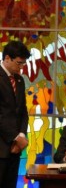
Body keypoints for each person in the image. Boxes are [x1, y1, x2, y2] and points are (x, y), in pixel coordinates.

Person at [0, 40, 31, 188]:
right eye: (19, 63)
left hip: (16, 148)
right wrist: (15, 137)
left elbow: (23, 111)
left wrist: (22, 136)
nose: (21, 68)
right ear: (7, 58)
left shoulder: (19, 80)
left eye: (23, 64)